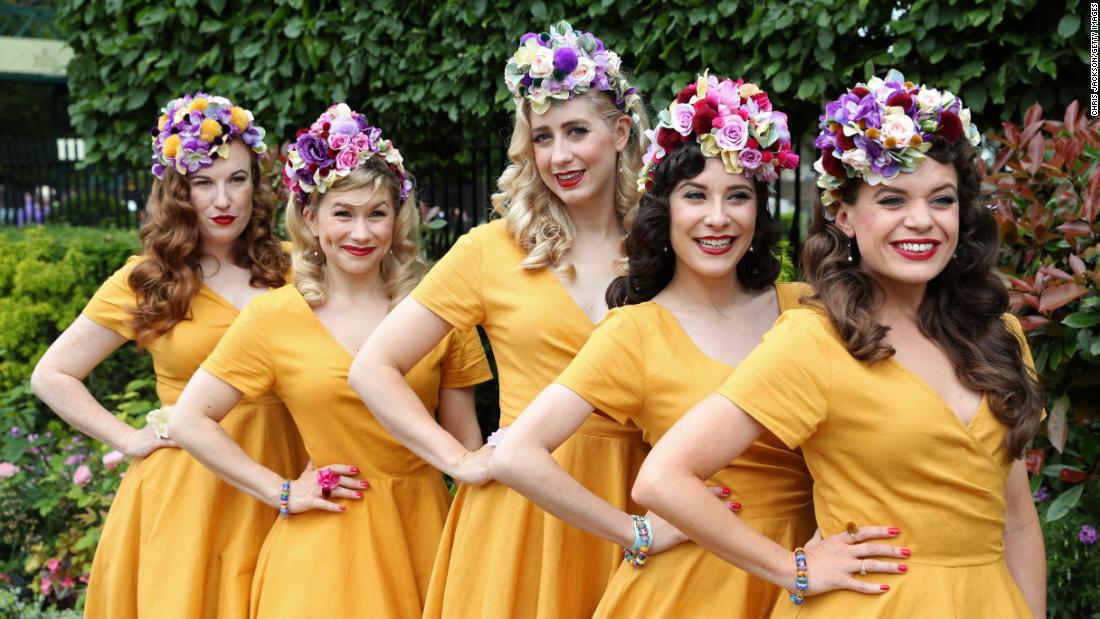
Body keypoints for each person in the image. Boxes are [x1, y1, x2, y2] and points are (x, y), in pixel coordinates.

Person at [634, 70, 1047, 618]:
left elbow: (1016, 518)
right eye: (893, 199)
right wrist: (792, 569)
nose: (921, 221)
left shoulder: (1000, 335)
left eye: (941, 200)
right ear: (845, 216)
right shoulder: (815, 340)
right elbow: (663, 479)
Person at [349, 21, 652, 618]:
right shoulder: (492, 250)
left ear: (620, 132)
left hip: (638, 502)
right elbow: (373, 368)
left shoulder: (665, 249)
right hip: (522, 515)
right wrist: (457, 458)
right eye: (543, 137)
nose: (559, 155)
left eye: (576, 131)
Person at [490, 72, 821, 619]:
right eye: (695, 196)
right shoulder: (635, 331)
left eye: (737, 196)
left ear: (758, 210)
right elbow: (517, 454)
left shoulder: (808, 309)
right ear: (663, 209)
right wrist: (635, 532)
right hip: (689, 590)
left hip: (807, 577)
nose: (718, 218)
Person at [167, 104, 492, 617]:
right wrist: (281, 492)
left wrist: (481, 541)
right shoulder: (273, 318)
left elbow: (466, 443)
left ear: (396, 219)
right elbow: (189, 420)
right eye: (343, 213)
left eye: (376, 213)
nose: (360, 233)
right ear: (312, 220)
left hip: (425, 533)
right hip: (323, 549)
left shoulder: (438, 312)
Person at [30, 93, 306, 618]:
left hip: (288, 470)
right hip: (191, 491)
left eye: (238, 179)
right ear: (178, 192)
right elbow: (53, 374)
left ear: (256, 185)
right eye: (204, 183)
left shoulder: (296, 268)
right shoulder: (148, 280)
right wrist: (129, 439)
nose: (223, 199)